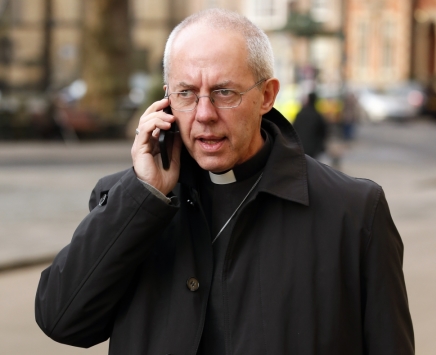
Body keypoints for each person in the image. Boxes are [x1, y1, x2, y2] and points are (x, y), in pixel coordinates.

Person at [35, 9, 414, 355]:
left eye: (224, 92)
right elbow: (62, 320)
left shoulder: (354, 211)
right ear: (165, 101)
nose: (204, 114)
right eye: (186, 93)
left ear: (267, 95)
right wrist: (143, 196)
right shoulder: (127, 199)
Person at [292, 92, 328, 158]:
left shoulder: (301, 113)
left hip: (300, 145)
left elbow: (293, 128)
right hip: (313, 147)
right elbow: (323, 131)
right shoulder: (317, 115)